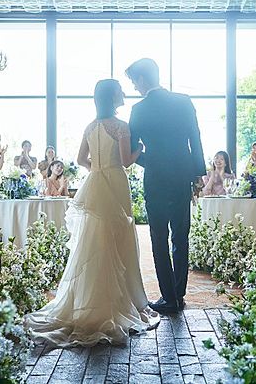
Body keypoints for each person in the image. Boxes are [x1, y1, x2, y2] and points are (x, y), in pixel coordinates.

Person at [25, 79, 158, 346]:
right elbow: (125, 161)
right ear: (113, 96)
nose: (123, 93)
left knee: (95, 238)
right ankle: (122, 299)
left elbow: (79, 159)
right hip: (116, 181)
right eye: (120, 90)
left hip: (95, 181)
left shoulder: (91, 126)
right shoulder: (120, 126)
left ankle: (88, 299)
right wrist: (140, 150)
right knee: (119, 236)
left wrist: (95, 168)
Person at [127, 58, 205, 314]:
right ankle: (179, 294)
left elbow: (132, 150)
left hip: (156, 179)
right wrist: (197, 173)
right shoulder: (183, 101)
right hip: (182, 176)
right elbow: (195, 138)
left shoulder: (139, 110)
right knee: (181, 236)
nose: (134, 87)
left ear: (141, 79)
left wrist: (151, 161)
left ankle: (168, 297)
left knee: (158, 238)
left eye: (134, 82)